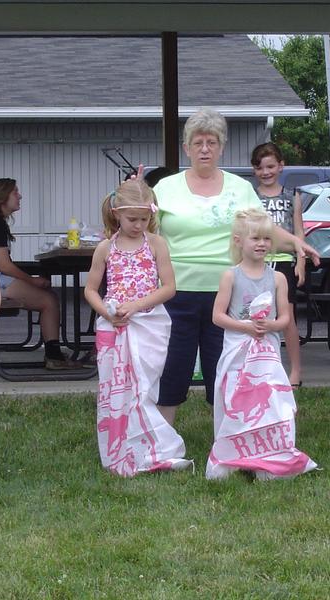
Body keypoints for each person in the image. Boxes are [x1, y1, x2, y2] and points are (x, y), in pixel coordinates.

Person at [152, 108, 320, 426]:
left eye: (212, 142)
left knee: (226, 369)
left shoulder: (239, 188)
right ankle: (163, 440)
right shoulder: (164, 189)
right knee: (173, 366)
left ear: (221, 147)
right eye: (198, 142)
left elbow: (264, 229)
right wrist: (130, 194)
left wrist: (297, 243)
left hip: (229, 293)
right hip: (177, 292)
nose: (205, 148)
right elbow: (142, 230)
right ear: (186, 148)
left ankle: (230, 438)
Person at [84, 180, 192, 476]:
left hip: (148, 323)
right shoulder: (106, 248)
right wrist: (107, 310)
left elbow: (168, 287)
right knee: (116, 389)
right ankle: (117, 450)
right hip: (114, 326)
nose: (139, 225)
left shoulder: (156, 244)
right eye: (133, 219)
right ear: (117, 213)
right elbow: (91, 290)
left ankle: (146, 445)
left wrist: (137, 305)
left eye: (145, 219)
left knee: (144, 387)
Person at [207, 208, 316, 480]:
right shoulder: (230, 276)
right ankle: (233, 452)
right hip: (237, 351)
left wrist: (271, 326)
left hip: (266, 352)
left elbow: (285, 317)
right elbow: (218, 316)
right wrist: (245, 326)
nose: (262, 244)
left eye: (267, 239)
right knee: (236, 396)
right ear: (238, 241)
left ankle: (268, 453)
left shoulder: (277, 278)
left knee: (267, 399)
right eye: (255, 238)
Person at [0, 178, 81, 370]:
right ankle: (54, 357)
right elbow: (4, 265)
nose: (20, 196)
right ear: (3, 196)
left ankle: (54, 353)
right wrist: (32, 281)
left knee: (48, 297)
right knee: (48, 301)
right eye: (15, 192)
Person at [251, 142, 305, 387]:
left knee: (287, 317)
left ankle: (295, 371)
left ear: (281, 166)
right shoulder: (251, 196)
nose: (266, 172)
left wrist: (300, 261)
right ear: (254, 170)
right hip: (257, 261)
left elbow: (298, 230)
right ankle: (260, 367)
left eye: (271, 166)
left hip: (284, 262)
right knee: (255, 316)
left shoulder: (292, 194)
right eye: (260, 168)